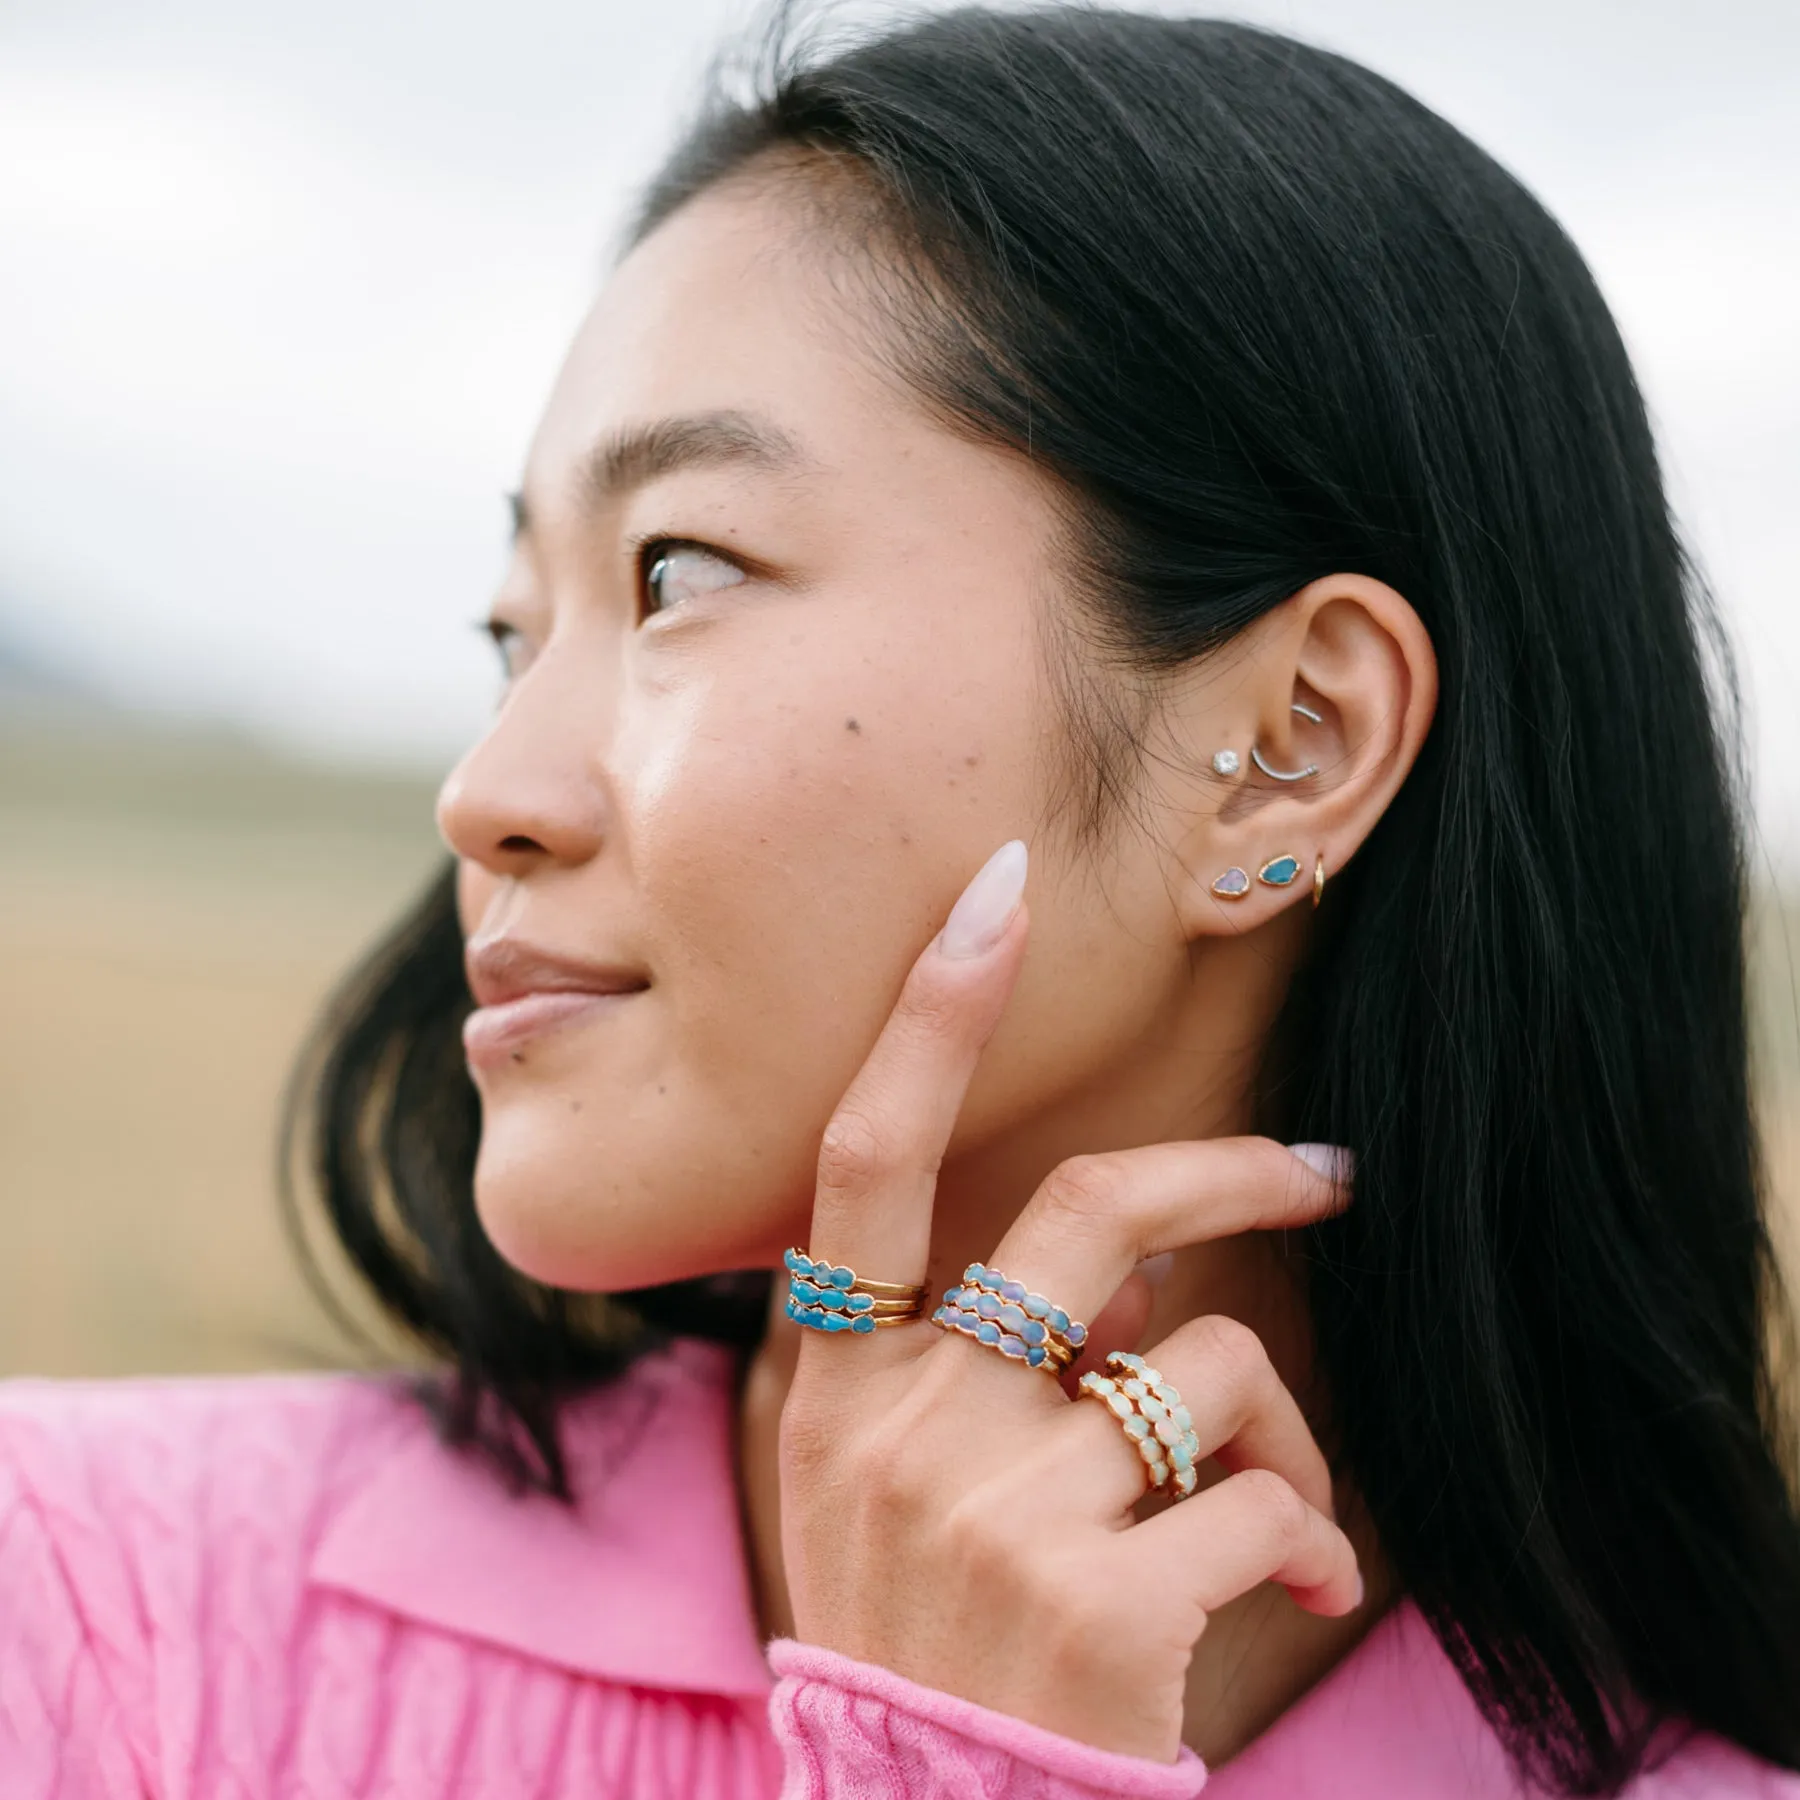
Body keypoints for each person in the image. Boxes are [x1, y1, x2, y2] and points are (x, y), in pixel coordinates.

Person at [4, 5, 1799, 1795]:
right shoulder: (81, 1609)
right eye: (512, 634)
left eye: (678, 572)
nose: (488, 797)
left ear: (1290, 744)